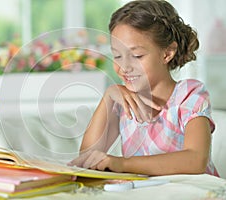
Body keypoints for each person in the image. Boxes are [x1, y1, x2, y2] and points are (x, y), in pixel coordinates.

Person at [69, 0, 219, 176]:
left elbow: (195, 161)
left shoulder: (189, 95)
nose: (124, 67)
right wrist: (108, 96)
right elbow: (87, 158)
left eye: (136, 55)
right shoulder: (122, 102)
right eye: (117, 56)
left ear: (167, 53)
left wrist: (122, 164)